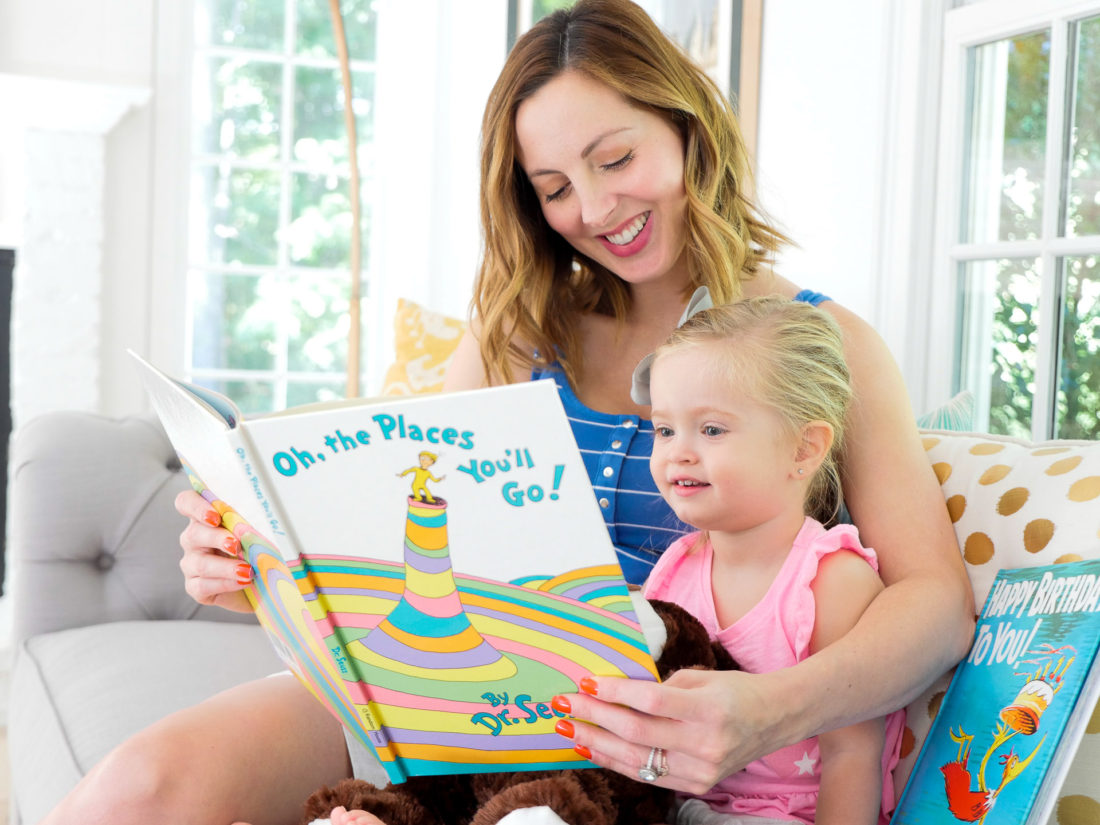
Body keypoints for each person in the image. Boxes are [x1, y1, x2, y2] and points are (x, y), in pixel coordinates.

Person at [39, 2, 973, 823]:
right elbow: (402, 561)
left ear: (688, 128)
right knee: (138, 790)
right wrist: (251, 564)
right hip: (456, 711)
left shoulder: (825, 342)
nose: (598, 208)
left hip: (667, 757)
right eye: (555, 187)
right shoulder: (513, 339)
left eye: (617, 157)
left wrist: (768, 709)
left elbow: (935, 608)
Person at [638, 296, 904, 824]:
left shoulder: (831, 581)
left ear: (804, 450)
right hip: (680, 806)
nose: (678, 453)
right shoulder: (674, 568)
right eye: (665, 430)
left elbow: (853, 755)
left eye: (711, 430)